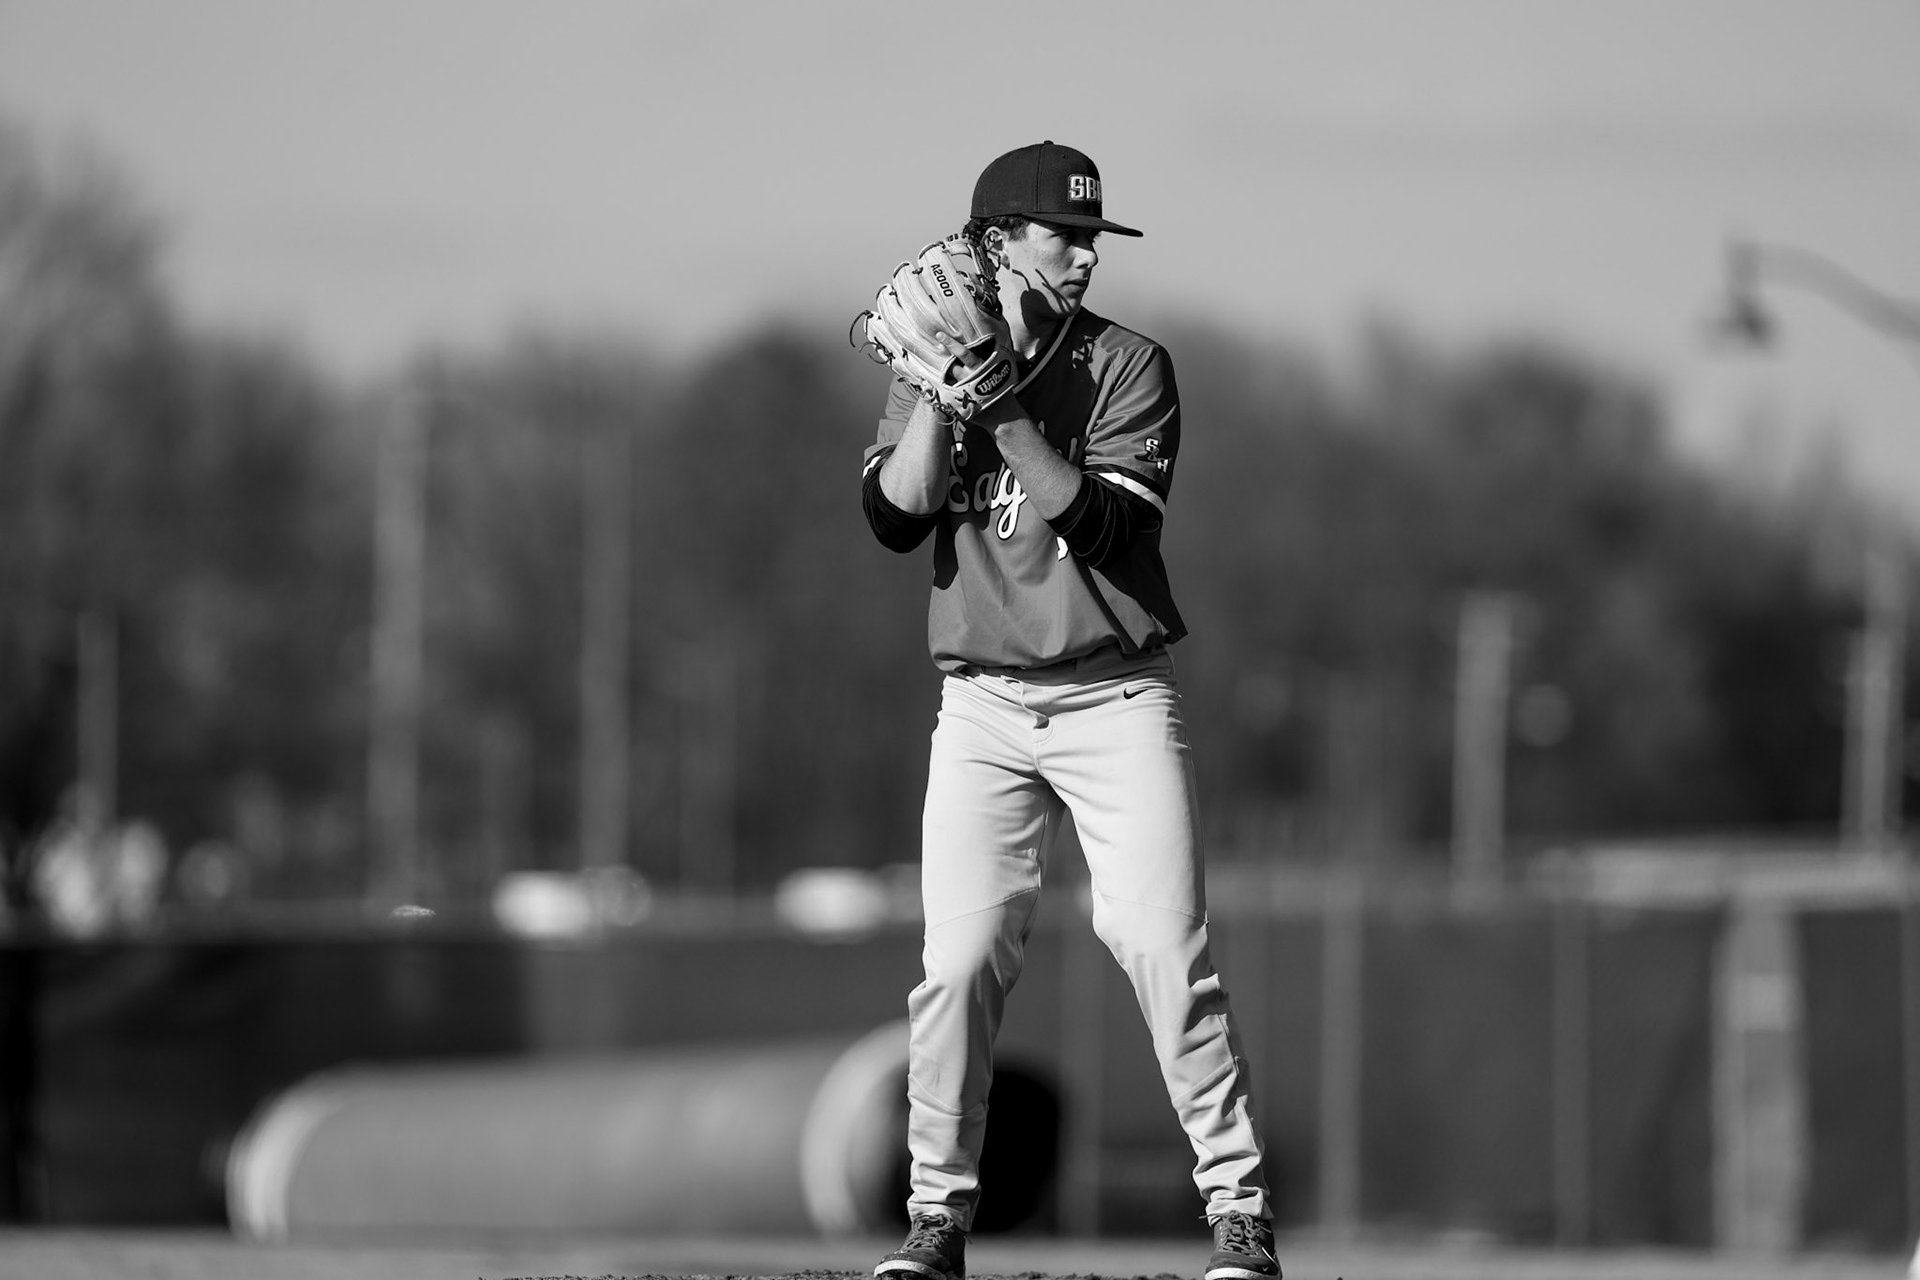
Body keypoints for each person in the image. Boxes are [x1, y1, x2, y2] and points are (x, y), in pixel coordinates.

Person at [859, 141, 1280, 1280]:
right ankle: (937, 1221)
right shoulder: (935, 356)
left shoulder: (1133, 365)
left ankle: (1239, 1215)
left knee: (1159, 945)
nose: (1086, 251)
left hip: (1113, 691)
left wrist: (1001, 413)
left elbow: (1106, 530)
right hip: (982, 705)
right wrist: (945, 399)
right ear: (998, 242)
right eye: (1063, 233)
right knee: (958, 960)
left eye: (1093, 235)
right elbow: (895, 519)